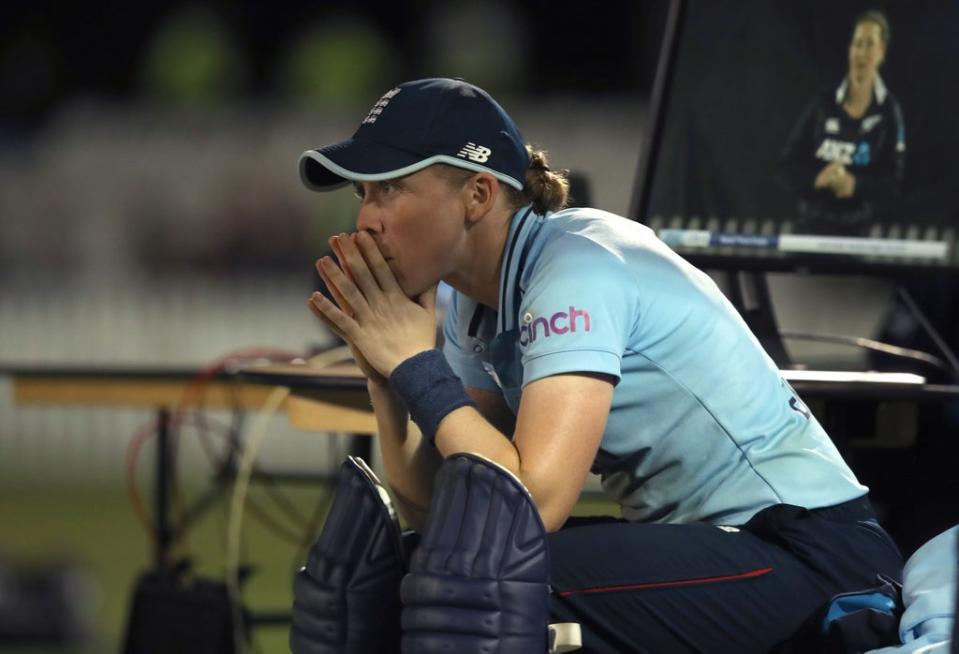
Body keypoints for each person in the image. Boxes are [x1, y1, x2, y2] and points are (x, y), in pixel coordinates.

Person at [293, 77, 904, 652]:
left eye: (390, 188)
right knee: (386, 577)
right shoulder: (467, 299)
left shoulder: (575, 266)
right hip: (722, 551)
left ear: (477, 194)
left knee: (481, 584)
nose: (366, 217)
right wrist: (386, 378)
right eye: (363, 193)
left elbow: (533, 502)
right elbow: (444, 510)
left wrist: (415, 365)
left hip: (811, 555)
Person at [779, 10, 906, 236]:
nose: (862, 53)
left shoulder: (889, 113)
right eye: (857, 44)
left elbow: (892, 183)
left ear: (882, 52)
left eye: (869, 44)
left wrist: (855, 185)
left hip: (858, 233)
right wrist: (817, 179)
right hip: (811, 227)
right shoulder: (823, 105)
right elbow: (788, 166)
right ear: (849, 50)